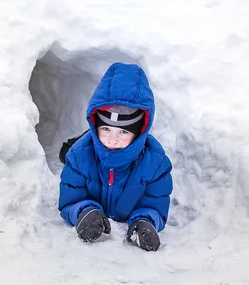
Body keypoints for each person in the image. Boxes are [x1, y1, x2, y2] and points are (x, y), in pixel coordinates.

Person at [58, 62, 173, 251]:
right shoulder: (79, 157)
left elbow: (155, 203)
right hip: (87, 147)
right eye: (105, 129)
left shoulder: (155, 164)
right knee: (71, 150)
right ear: (95, 125)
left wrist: (145, 221)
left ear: (138, 133)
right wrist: (85, 211)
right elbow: (71, 199)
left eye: (123, 132)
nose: (112, 139)